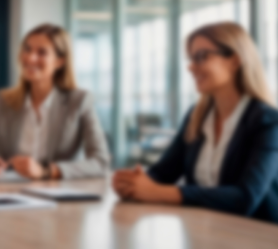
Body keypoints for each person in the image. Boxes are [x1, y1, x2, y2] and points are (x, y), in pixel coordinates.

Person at [113, 22, 278, 224]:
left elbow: (245, 198)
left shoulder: (268, 121)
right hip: (203, 232)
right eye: (191, 59)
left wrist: (159, 192)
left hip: (256, 237)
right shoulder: (196, 116)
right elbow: (163, 172)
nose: (190, 67)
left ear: (234, 60)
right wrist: (133, 183)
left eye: (201, 56)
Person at [0, 24, 111, 180]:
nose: (30, 58)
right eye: (27, 49)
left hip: (60, 196)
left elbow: (100, 162)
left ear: (60, 61)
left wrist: (47, 171)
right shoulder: (4, 101)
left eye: (42, 52)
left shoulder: (79, 101)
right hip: (9, 192)